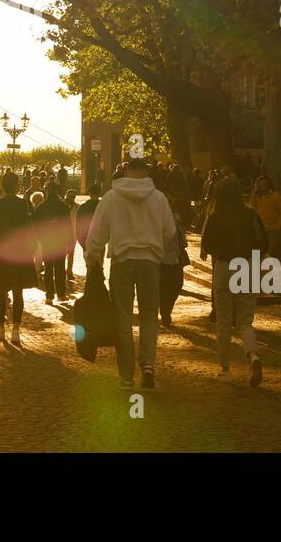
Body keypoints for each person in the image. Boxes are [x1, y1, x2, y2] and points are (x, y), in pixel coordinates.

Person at [83, 157, 178, 390]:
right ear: (146, 171)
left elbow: (97, 233)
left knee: (122, 318)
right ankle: (148, 366)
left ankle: (126, 375)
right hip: (150, 261)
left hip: (122, 260)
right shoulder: (158, 198)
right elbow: (170, 232)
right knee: (148, 315)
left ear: (125, 169)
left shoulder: (111, 197)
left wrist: (91, 258)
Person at [202, 175, 266, 384]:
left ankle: (225, 369)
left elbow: (208, 244)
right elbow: (263, 242)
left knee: (224, 322)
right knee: (245, 321)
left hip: (223, 266)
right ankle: (253, 355)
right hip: (246, 266)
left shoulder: (215, 216)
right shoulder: (250, 214)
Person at [0, 172, 39, 345]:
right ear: (17, 186)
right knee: (18, 292)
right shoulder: (23, 204)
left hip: (0, 250)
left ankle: (1, 327)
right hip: (20, 250)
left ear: (3, 186)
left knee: (0, 291)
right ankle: (16, 329)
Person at [33, 183, 73, 304]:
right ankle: (60, 294)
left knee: (48, 269)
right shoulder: (64, 206)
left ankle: (49, 296)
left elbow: (35, 225)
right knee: (60, 268)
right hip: (60, 241)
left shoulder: (41, 207)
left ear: (46, 191)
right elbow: (68, 226)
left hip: (46, 241)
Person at [159, 204, 190, 329]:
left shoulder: (176, 221)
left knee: (177, 285)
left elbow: (184, 242)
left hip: (176, 260)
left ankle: (166, 310)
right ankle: (165, 312)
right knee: (164, 287)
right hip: (162, 261)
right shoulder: (156, 222)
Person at [249, 174, 281, 257]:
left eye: (264, 185)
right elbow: (250, 210)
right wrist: (254, 193)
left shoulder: (276, 196)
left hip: (272, 229)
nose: (262, 188)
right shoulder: (256, 197)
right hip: (260, 229)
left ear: (269, 185)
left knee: (270, 253)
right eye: (260, 186)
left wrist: (278, 226)